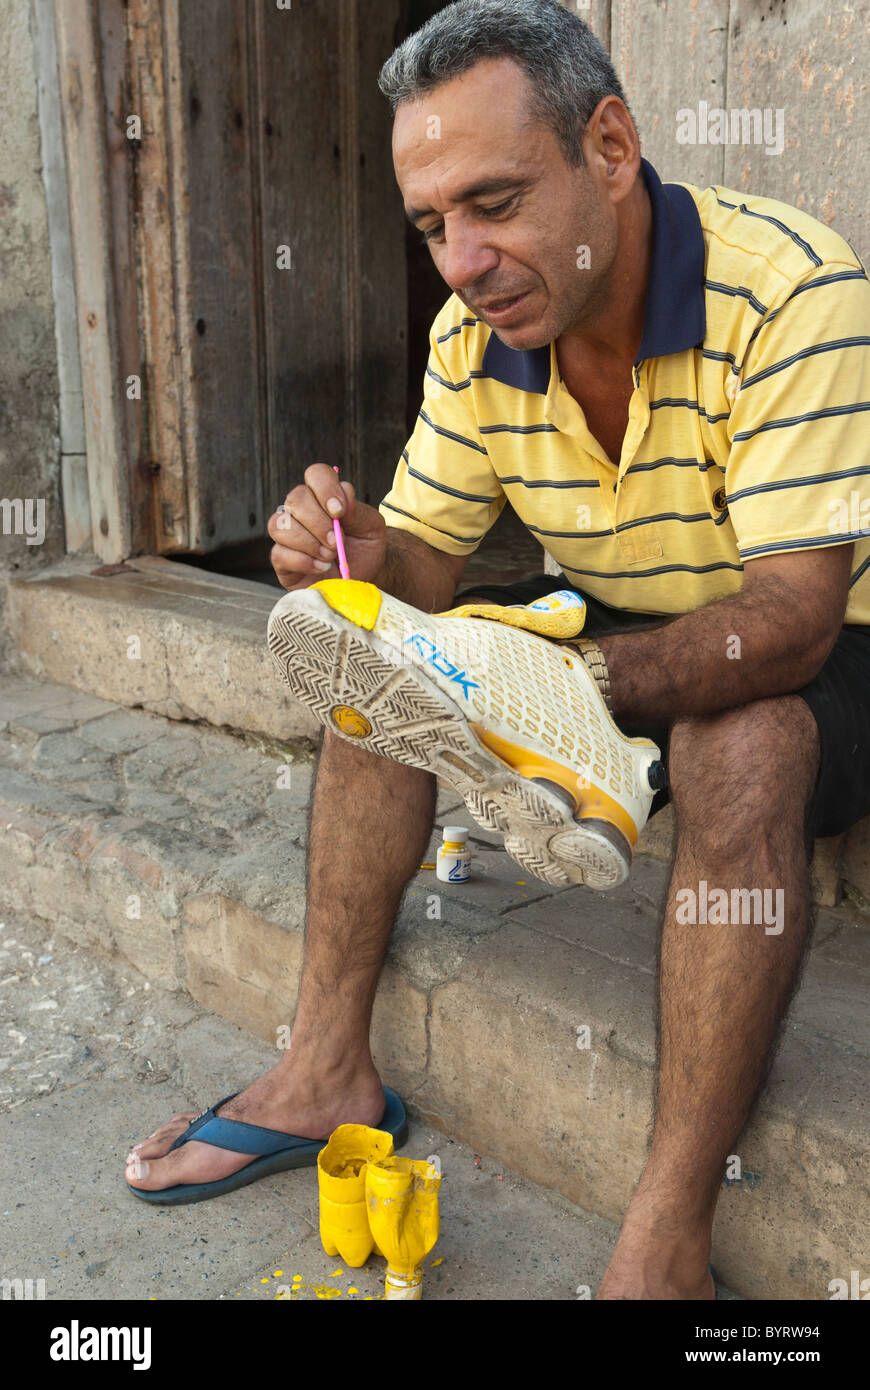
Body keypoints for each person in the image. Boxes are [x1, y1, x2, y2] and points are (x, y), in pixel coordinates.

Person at [125, 0, 870, 1300]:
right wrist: (352, 548)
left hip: (829, 650)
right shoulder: (477, 336)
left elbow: (792, 619)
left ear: (612, 148)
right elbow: (422, 558)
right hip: (619, 626)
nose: (462, 259)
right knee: (378, 660)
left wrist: (561, 687)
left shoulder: (791, 290)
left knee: (739, 739)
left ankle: (664, 1235)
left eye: (495, 201)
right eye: (432, 226)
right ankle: (324, 1069)